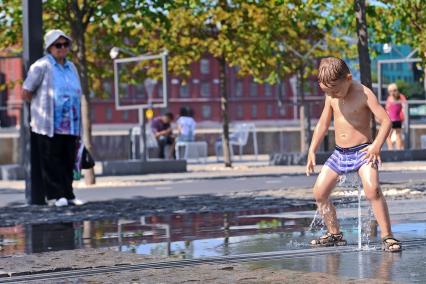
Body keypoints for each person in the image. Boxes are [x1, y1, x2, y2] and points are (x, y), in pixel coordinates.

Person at [306, 57, 401, 252]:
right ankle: (334, 234)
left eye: (336, 90)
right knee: (319, 192)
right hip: (340, 154)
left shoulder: (364, 94)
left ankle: (388, 236)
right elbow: (323, 124)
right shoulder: (332, 95)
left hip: (364, 152)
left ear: (348, 78)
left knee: (372, 189)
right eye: (329, 92)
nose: (334, 95)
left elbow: (386, 122)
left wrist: (376, 146)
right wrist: (312, 149)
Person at [22, 29, 85, 207]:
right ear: (50, 47)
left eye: (66, 44)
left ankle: (69, 194)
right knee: (51, 160)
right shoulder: (41, 66)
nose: (62, 48)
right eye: (58, 45)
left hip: (71, 124)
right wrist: (37, 110)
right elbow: (26, 90)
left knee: (67, 160)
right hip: (48, 124)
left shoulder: (71, 67)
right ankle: (57, 196)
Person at [385, 83, 406, 150]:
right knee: (398, 135)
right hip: (397, 119)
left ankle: (391, 149)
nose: (392, 92)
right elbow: (404, 107)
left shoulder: (391, 98)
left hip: (392, 120)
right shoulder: (400, 97)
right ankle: (397, 150)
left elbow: (387, 109)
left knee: (388, 136)